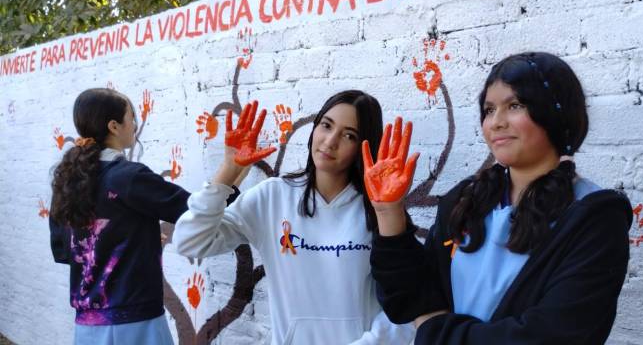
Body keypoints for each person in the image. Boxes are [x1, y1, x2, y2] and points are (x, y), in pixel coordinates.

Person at [365, 52, 633, 344]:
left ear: (555, 112)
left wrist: (435, 331)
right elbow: (411, 298)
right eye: (489, 110)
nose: (496, 122)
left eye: (515, 106)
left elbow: (553, 335)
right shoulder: (466, 199)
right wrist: (388, 211)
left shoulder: (593, 217)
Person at [173, 90, 415, 345]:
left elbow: (405, 307)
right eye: (326, 125)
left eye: (349, 135)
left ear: (363, 146)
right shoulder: (272, 197)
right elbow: (190, 242)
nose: (330, 141)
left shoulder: (378, 210)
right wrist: (228, 171)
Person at [49, 88, 269, 344]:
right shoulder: (128, 177)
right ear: (114, 126)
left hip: (87, 328)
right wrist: (235, 168)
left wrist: (134, 238)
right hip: (134, 326)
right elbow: (198, 213)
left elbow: (64, 251)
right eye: (131, 117)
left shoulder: (67, 181)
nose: (135, 125)